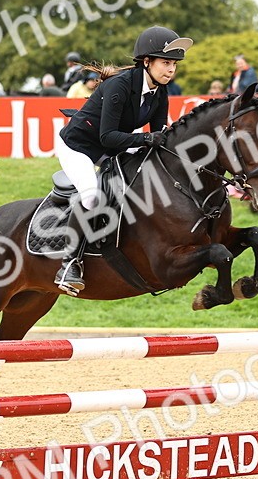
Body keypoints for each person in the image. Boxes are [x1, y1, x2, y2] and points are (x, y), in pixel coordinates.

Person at [53, 25, 192, 295]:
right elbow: (107, 137)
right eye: (166, 63)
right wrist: (144, 140)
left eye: (174, 64)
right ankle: (69, 263)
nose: (171, 70)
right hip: (78, 146)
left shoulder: (160, 92)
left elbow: (158, 135)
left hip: (114, 144)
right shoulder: (120, 86)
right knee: (92, 196)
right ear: (147, 61)